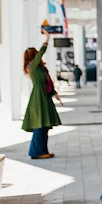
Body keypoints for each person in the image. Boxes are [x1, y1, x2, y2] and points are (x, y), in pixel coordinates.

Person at [22, 28, 62, 159]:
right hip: (39, 99)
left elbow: (47, 82)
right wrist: (47, 38)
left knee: (44, 126)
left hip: (43, 97)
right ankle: (36, 152)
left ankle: (42, 151)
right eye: (36, 54)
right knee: (40, 126)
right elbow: (41, 53)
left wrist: (55, 93)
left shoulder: (39, 68)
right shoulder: (32, 67)